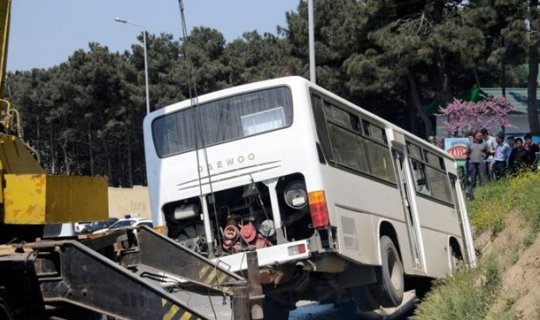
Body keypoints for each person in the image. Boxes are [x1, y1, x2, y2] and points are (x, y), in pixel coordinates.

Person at [466, 130, 491, 200]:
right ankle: (470, 196)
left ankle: (483, 196)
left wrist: (484, 159)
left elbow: (488, 152)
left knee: (482, 180)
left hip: (481, 164)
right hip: (472, 164)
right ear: (475, 136)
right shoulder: (470, 144)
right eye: (479, 135)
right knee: (471, 180)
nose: (481, 136)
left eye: (481, 135)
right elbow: (467, 153)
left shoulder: (485, 143)